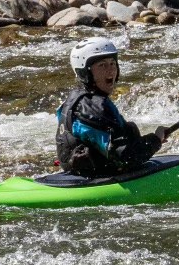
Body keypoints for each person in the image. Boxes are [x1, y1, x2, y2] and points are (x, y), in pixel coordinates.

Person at [55, 37, 166, 177]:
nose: (111, 71)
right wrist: (155, 139)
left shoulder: (76, 97)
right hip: (96, 177)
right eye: (102, 65)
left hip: (81, 171)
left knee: (130, 128)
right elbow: (125, 157)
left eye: (113, 64)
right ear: (85, 72)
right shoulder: (94, 107)